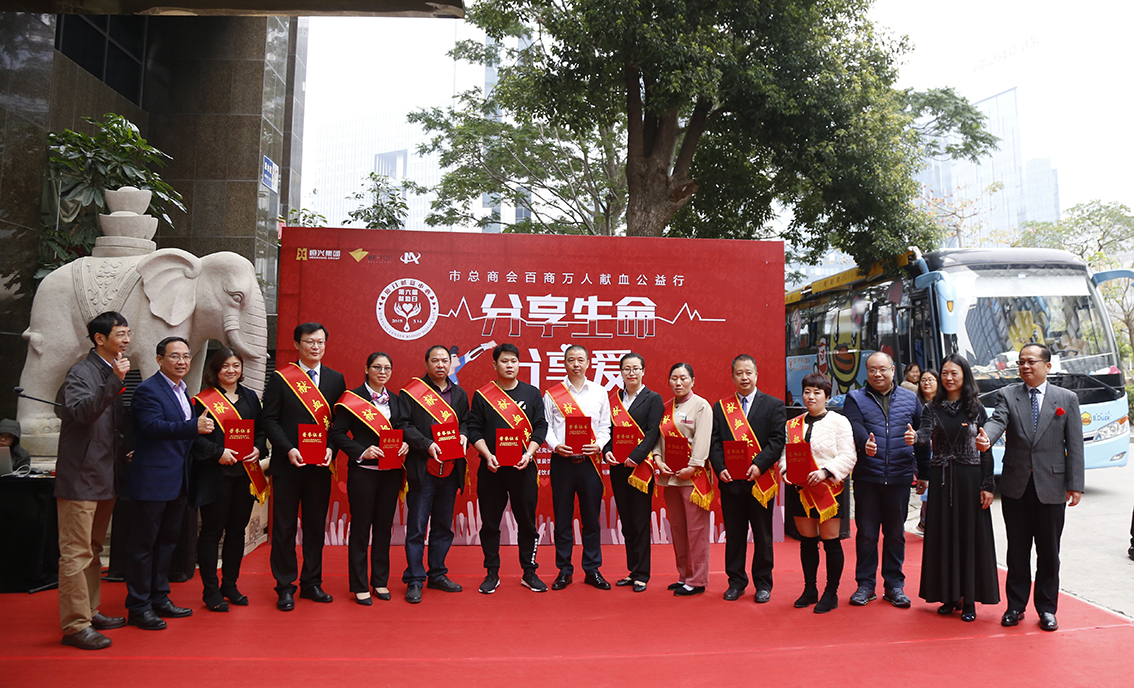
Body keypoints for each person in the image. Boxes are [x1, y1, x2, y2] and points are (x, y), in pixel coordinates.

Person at [983, 343, 1084, 632]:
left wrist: (1075, 484)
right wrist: (986, 438)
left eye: (1031, 361)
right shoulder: (1008, 394)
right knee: (1017, 552)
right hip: (1016, 486)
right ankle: (1015, 606)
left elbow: (1074, 444)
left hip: (1051, 486)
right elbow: (997, 421)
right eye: (1021, 362)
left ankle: (1047, 609)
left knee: (1049, 553)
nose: (1025, 367)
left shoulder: (1066, 399)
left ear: (1047, 366)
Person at [123, 337, 214, 630]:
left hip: (178, 479)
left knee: (166, 544)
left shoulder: (183, 390)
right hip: (152, 480)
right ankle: (139, 606)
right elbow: (151, 427)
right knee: (144, 546)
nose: (182, 362)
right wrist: (193, 427)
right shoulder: (148, 389)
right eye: (174, 356)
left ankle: (159, 597)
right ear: (159, 359)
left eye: (186, 356)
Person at [54, 312, 131, 650]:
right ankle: (75, 625)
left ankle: (90, 610)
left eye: (128, 333)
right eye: (120, 334)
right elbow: (82, 412)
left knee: (95, 548)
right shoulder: (81, 372)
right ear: (100, 339)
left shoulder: (111, 370)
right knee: (75, 551)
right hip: (80, 477)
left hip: (105, 475)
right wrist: (114, 381)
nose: (126, 340)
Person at [262, 322, 347, 611]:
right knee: (284, 528)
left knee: (314, 528)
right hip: (288, 466)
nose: (315, 347)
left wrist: (331, 449)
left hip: (319, 467)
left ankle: (312, 582)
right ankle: (285, 586)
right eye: (309, 341)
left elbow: (339, 423)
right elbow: (269, 419)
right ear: (297, 344)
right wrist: (288, 449)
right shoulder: (281, 378)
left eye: (320, 342)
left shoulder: (336, 379)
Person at [910, 354, 999, 622]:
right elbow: (924, 434)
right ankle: (949, 595)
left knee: (969, 538)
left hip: (970, 479)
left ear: (964, 376)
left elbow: (985, 448)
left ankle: (969, 599)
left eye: (954, 373)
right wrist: (914, 437)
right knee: (943, 537)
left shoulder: (976, 408)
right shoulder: (931, 408)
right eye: (945, 373)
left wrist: (988, 484)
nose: (948, 378)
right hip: (941, 479)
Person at [843, 351, 928, 608]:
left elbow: (922, 434)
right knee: (867, 535)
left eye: (882, 369)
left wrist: (924, 473)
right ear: (866, 372)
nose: (877, 374)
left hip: (900, 476)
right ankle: (865, 585)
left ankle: (894, 585)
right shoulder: (855, 398)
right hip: (867, 477)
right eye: (872, 370)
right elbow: (854, 426)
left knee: (895, 535)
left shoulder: (910, 398)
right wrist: (864, 443)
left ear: (893, 370)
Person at [189, 347, 266, 612]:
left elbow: (261, 430)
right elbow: (194, 438)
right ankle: (210, 590)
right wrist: (218, 453)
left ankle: (230, 584)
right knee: (212, 532)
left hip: (244, 476)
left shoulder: (250, 397)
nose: (231, 370)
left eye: (236, 365)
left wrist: (258, 448)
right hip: (216, 475)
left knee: (237, 531)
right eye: (225, 366)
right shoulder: (203, 400)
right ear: (215, 369)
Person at [330, 352, 410, 606]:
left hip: (390, 473)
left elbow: (403, 429)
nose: (382, 372)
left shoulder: (396, 400)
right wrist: (361, 451)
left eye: (387, 368)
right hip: (363, 472)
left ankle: (380, 580)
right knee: (361, 528)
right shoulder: (352, 399)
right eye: (377, 367)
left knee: (384, 528)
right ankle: (359, 584)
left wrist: (406, 444)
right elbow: (337, 433)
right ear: (366, 369)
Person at [469, 343, 549, 594]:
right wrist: (487, 455)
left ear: (519, 364)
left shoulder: (532, 393)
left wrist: (529, 454)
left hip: (523, 468)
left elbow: (540, 426)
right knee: (490, 523)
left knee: (527, 522)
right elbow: (474, 429)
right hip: (491, 470)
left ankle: (529, 571)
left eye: (514, 361)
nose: (509, 365)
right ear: (495, 365)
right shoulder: (483, 395)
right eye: (504, 361)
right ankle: (492, 572)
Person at [708, 354, 786, 603]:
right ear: (732, 377)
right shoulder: (721, 407)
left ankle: (763, 584)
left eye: (748, 372)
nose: (744, 377)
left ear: (756, 375)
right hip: (731, 482)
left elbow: (777, 441)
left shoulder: (773, 405)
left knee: (763, 535)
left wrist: (759, 465)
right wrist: (720, 467)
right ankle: (736, 582)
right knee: (735, 535)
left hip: (760, 482)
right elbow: (714, 442)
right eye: (739, 373)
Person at [779, 372, 856, 613]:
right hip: (800, 490)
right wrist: (786, 471)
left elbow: (848, 455)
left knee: (831, 542)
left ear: (827, 396)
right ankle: (810, 589)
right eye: (807, 392)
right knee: (807, 542)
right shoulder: (792, 424)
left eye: (817, 392)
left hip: (828, 490)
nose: (811, 397)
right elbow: (785, 455)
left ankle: (831, 592)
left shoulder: (839, 422)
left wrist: (825, 472)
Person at [400, 345, 470, 604]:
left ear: (451, 364)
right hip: (423, 469)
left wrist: (464, 435)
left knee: (443, 526)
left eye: (445, 361)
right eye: (435, 360)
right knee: (417, 528)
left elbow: (466, 421)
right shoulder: (412, 392)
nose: (441, 365)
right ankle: (415, 579)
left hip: (450, 469)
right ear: (426, 363)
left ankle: (438, 573)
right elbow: (403, 425)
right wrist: (426, 444)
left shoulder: (459, 394)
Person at [543, 344, 612, 591]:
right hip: (562, 462)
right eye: (571, 359)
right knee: (562, 518)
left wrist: (599, 444)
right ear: (564, 363)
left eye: (580, 359)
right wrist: (555, 445)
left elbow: (605, 426)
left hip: (589, 463)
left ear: (588, 363)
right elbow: (545, 426)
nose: (576, 364)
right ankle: (564, 570)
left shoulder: (600, 392)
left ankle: (592, 569)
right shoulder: (552, 394)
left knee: (591, 519)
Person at [602, 353, 663, 592]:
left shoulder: (653, 399)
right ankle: (632, 570)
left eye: (636, 368)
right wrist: (607, 450)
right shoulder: (614, 399)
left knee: (640, 521)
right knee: (627, 521)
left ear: (643, 371)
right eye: (627, 368)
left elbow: (652, 433)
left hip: (640, 469)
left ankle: (642, 574)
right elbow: (606, 430)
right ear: (621, 372)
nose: (631, 373)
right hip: (618, 466)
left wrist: (635, 457)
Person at [652, 363, 714, 596]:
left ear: (693, 381)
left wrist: (693, 466)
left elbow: (702, 439)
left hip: (692, 478)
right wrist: (658, 460)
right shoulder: (665, 407)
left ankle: (697, 580)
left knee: (696, 530)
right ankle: (684, 575)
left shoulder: (701, 406)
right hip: (670, 477)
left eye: (683, 378)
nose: (678, 382)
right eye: (674, 378)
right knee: (678, 529)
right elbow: (658, 438)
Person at [916, 369, 940, 531]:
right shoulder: (915, 403)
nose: (927, 383)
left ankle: (926, 522)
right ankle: (925, 522)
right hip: (920, 452)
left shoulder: (943, 404)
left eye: (931, 380)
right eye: (923, 380)